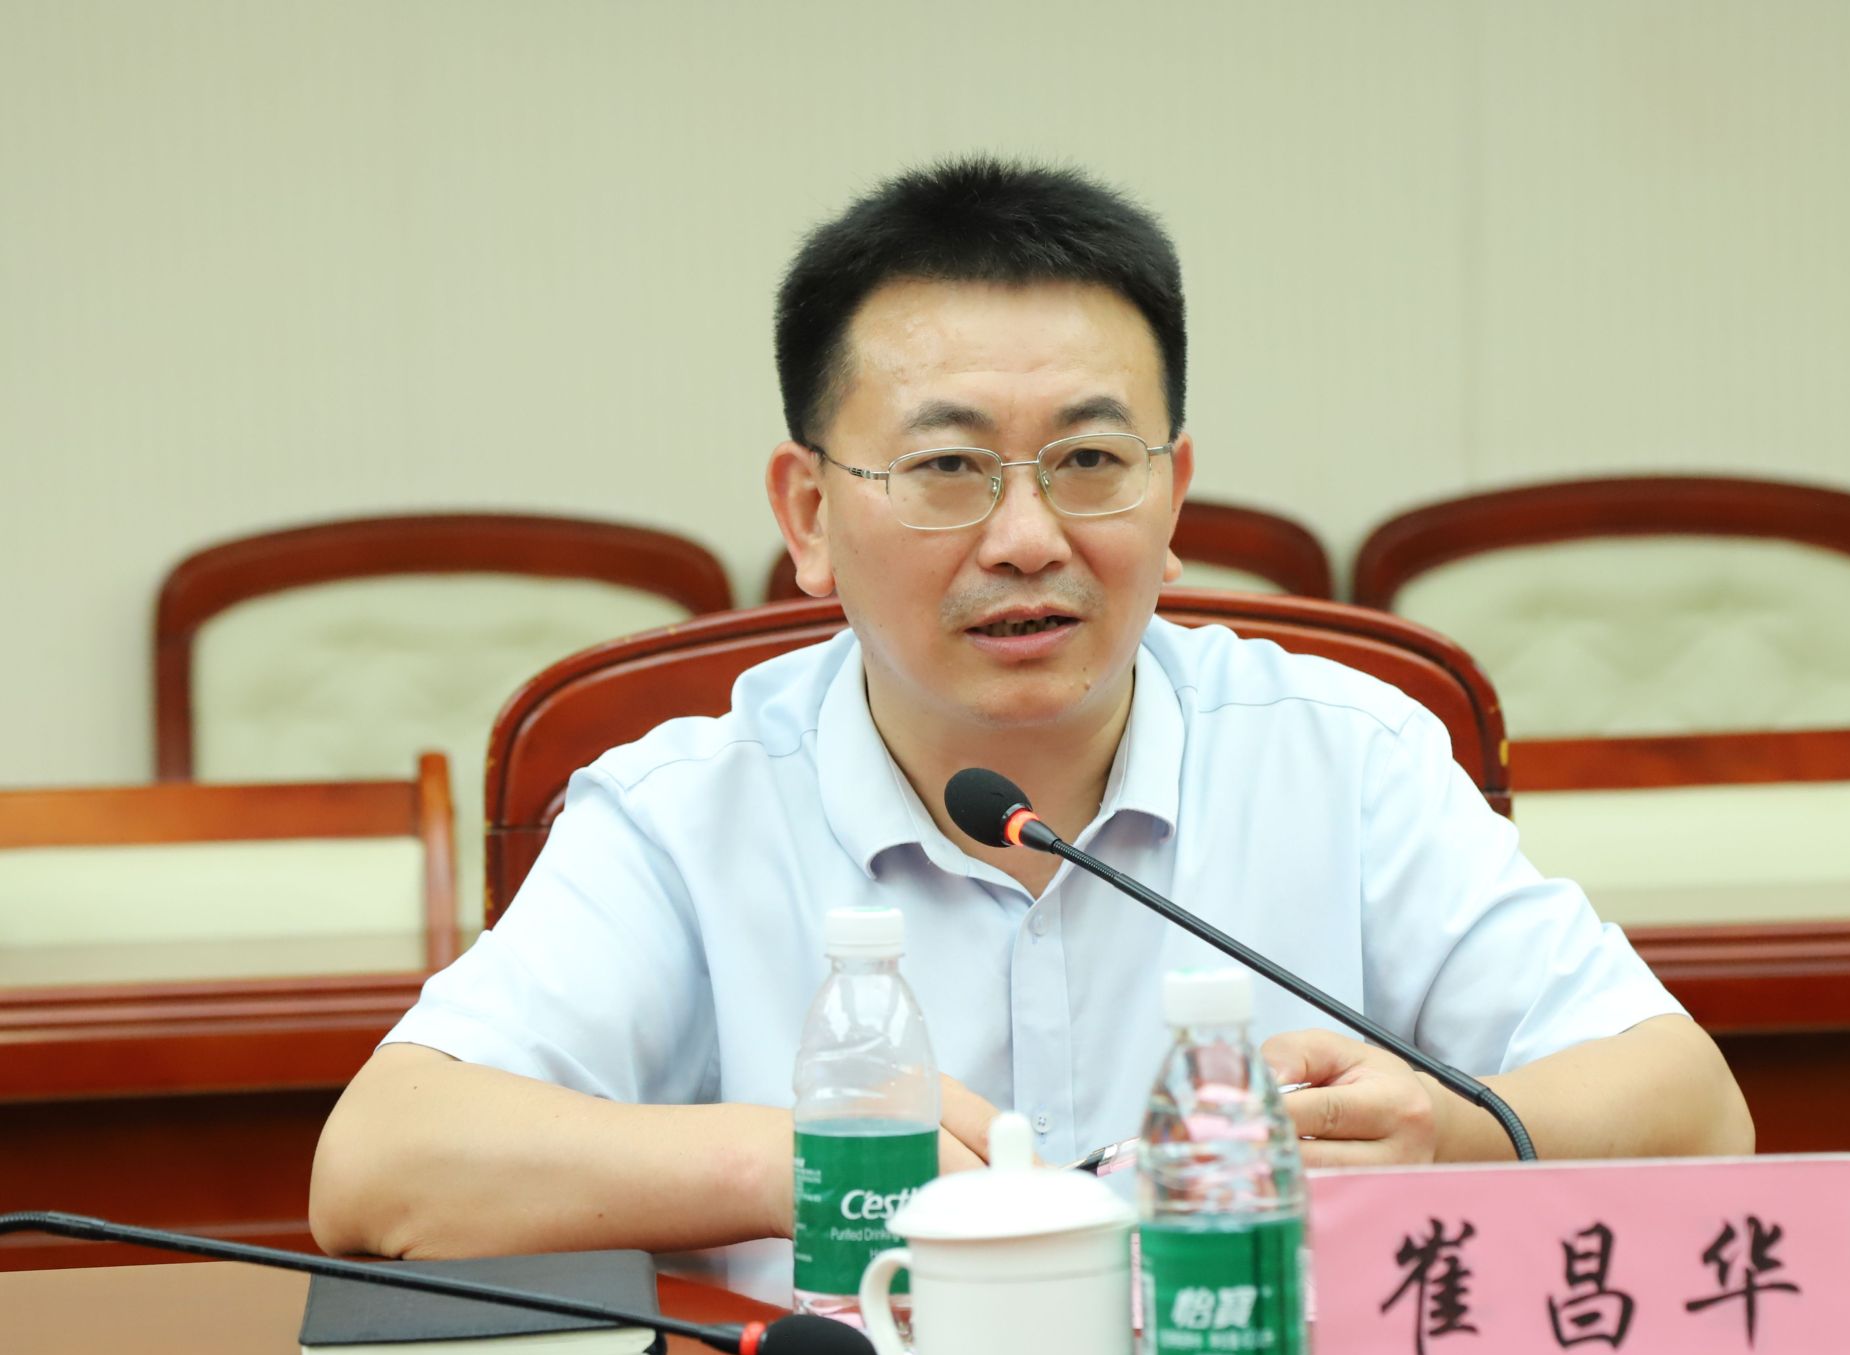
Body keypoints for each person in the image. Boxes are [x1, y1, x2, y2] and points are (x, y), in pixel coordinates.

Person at [309, 158, 1751, 1263]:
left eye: (1090, 461)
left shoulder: (1341, 755)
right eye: (947, 469)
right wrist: (805, 1157)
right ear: (808, 515)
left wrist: (1447, 1131)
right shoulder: (687, 811)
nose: (1026, 538)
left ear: (1174, 497)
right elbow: (381, 1171)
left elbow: (1694, 1113)